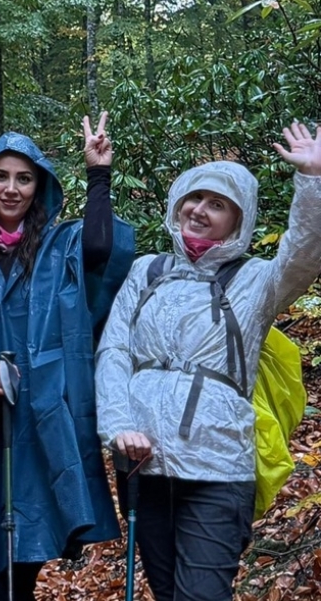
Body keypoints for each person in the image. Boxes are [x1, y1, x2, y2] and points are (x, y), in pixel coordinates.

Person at [94, 121, 321, 601]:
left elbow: (304, 253)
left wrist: (312, 181)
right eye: (194, 198)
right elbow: (113, 352)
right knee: (167, 593)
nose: (199, 210)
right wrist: (118, 427)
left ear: (239, 220)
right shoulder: (146, 271)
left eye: (217, 204)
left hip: (218, 468)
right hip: (143, 464)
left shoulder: (257, 280)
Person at [0, 116, 136, 601]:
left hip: (43, 418)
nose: (11, 189)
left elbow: (102, 247)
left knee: (27, 551)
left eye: (24, 178)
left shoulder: (61, 248)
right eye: (1, 176)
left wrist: (98, 174)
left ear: (40, 187)